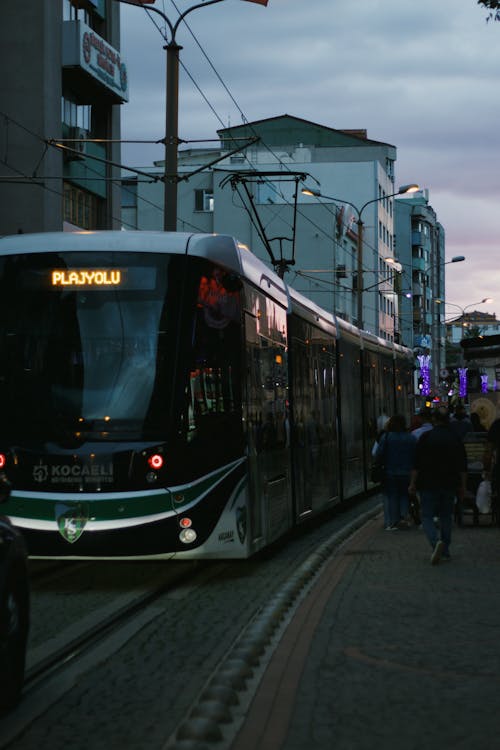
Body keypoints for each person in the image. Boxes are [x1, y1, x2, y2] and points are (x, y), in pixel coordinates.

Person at [409, 406, 467, 565]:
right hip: (449, 483)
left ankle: (436, 543)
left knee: (426, 516)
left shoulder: (426, 437)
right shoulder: (455, 438)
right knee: (446, 516)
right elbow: (462, 465)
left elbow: (416, 464)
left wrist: (412, 483)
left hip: (427, 483)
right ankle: (445, 550)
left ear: (433, 420)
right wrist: (462, 486)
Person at [376, 414, 416, 530]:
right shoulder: (411, 437)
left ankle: (394, 521)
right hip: (407, 472)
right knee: (404, 495)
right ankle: (404, 516)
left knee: (393, 496)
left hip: (390, 472)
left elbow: (379, 454)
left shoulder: (387, 437)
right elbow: (416, 455)